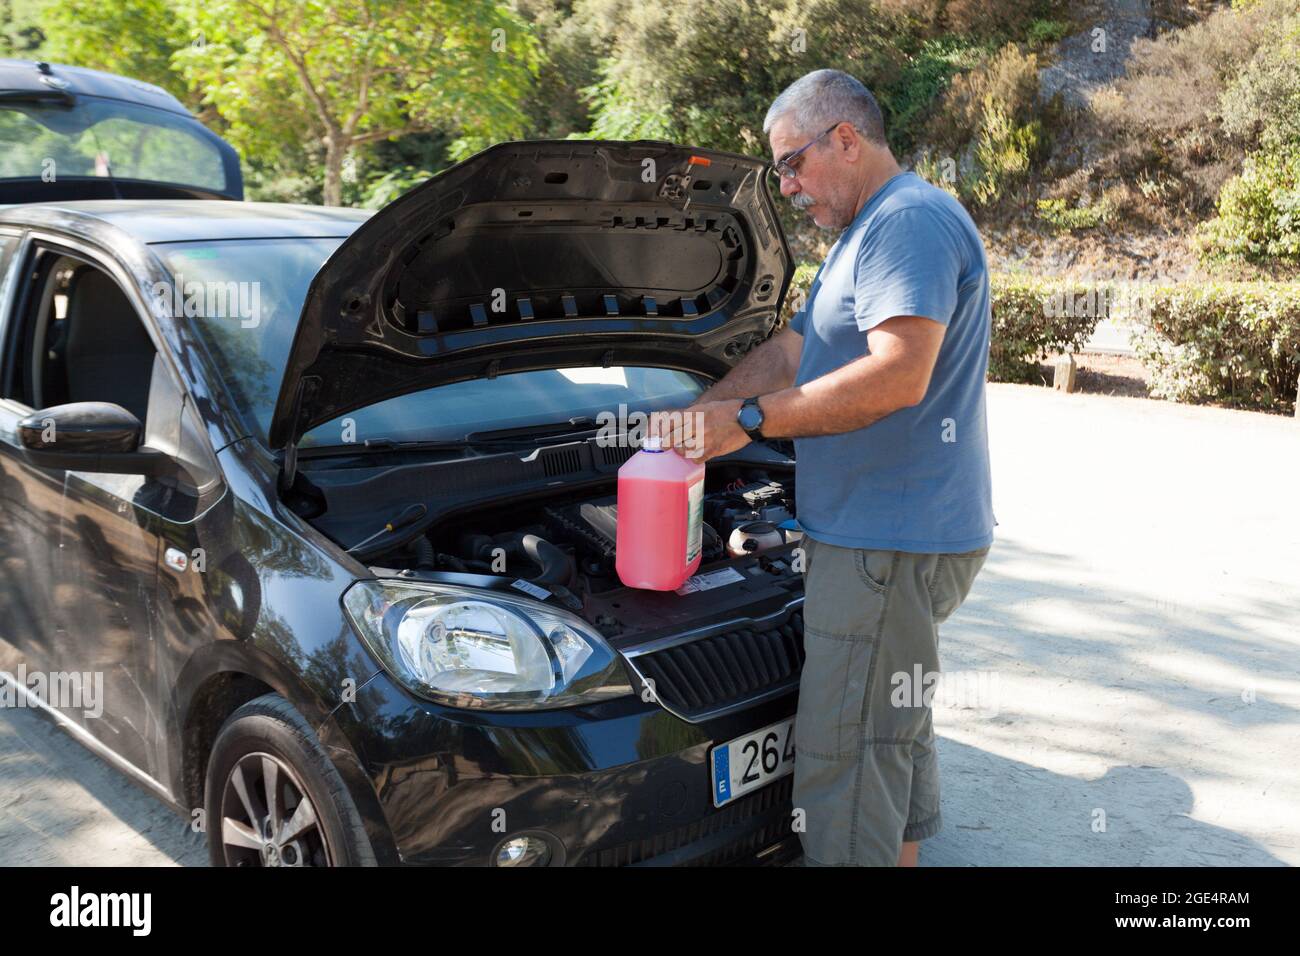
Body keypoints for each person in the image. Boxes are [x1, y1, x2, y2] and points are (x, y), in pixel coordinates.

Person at [650, 68, 996, 866]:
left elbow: (898, 375)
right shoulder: (865, 236)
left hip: (889, 541)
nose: (789, 186)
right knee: (890, 736)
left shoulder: (906, 223)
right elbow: (794, 350)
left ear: (846, 138)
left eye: (792, 163)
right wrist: (710, 408)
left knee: (845, 765)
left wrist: (745, 423)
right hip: (889, 536)